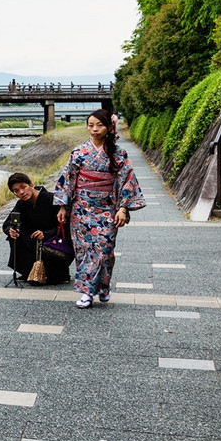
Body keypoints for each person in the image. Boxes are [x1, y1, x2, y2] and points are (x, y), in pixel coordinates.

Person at [54, 108, 145, 308]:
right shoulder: (78, 153)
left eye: (99, 125)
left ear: (109, 127)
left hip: (107, 209)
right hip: (81, 209)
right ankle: (86, 292)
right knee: (84, 250)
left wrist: (123, 208)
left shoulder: (118, 154)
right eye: (90, 125)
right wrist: (62, 206)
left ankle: (103, 287)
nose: (94, 129)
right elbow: (68, 179)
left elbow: (127, 180)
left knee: (105, 250)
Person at [2, 172, 70, 285]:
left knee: (54, 278)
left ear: (32, 185)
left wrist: (46, 233)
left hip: (54, 240)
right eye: (16, 191)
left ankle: (59, 273)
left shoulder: (51, 199)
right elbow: (8, 223)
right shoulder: (21, 204)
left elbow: (65, 225)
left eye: (23, 187)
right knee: (16, 236)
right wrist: (11, 230)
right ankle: (28, 271)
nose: (21, 192)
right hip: (35, 239)